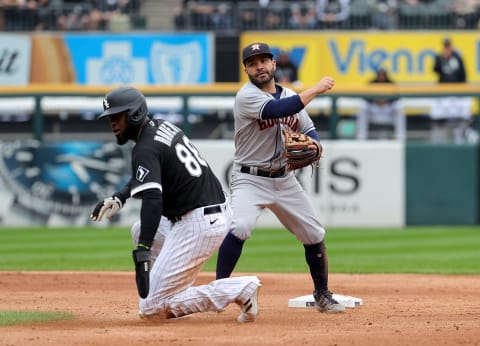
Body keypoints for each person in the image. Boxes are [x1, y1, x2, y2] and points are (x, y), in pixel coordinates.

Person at [90, 86, 261, 322]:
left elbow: (152, 200)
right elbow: (148, 175)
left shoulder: (145, 148)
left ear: (135, 114)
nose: (112, 123)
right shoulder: (160, 126)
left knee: (151, 309)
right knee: (139, 229)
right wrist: (121, 196)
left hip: (199, 223)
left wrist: (143, 250)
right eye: (110, 118)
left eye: (117, 116)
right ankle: (172, 291)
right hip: (208, 214)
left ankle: (240, 289)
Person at [215, 42, 345, 313]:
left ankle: (322, 294)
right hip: (250, 177)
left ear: (274, 64)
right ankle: (217, 291)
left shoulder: (288, 93)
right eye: (252, 63)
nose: (259, 66)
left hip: (284, 178)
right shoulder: (246, 96)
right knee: (240, 227)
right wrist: (316, 89)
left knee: (314, 233)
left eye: (263, 61)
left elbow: (308, 128)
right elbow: (277, 110)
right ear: (246, 70)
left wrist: (315, 144)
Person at [429, 38, 472, 144]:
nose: (447, 48)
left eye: (448, 45)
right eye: (445, 46)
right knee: (439, 118)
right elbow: (435, 70)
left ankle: (459, 141)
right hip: (443, 92)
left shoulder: (457, 57)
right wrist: (443, 58)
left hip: (456, 93)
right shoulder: (440, 57)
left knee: (458, 120)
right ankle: (438, 142)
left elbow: (463, 75)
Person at [356, 67, 406, 140]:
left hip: (387, 109)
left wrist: (386, 101)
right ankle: (361, 136)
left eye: (383, 74)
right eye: (380, 74)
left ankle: (400, 137)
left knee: (399, 107)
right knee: (363, 107)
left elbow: (397, 98)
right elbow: (365, 98)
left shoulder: (391, 83)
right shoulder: (371, 83)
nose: (381, 76)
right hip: (374, 109)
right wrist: (375, 100)